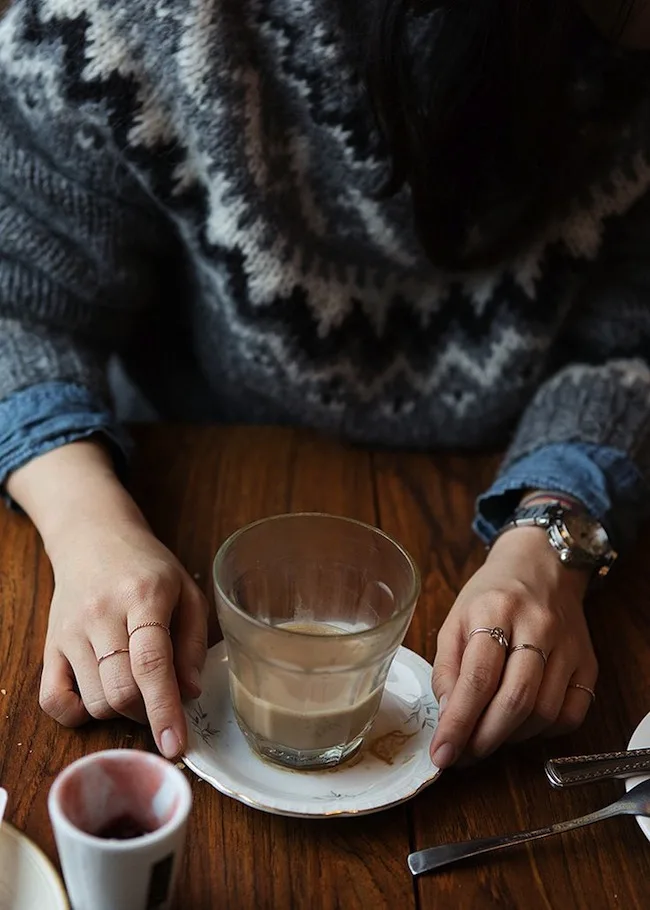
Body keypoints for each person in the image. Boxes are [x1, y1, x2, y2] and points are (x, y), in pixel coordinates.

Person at [0, 0, 649, 771]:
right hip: (184, 461)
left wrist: (552, 541)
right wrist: (90, 531)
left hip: (506, 483)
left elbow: (631, 347)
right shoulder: (126, 18)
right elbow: (19, 306)